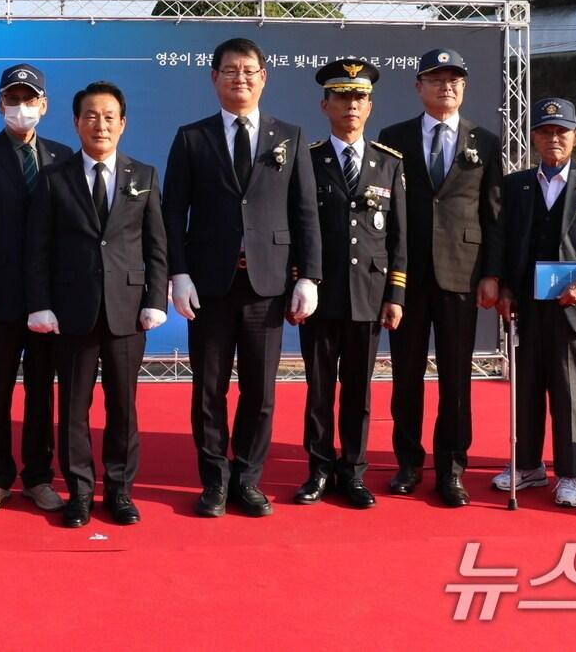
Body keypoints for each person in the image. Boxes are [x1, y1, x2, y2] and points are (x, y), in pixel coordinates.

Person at [162, 38, 321, 518]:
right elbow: (173, 213)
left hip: (266, 287)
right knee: (208, 391)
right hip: (209, 286)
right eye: (230, 70)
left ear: (263, 77)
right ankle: (214, 480)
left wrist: (309, 277)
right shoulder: (191, 138)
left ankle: (248, 479)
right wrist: (178, 273)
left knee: (261, 391)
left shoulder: (289, 137)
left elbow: (305, 212)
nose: (240, 79)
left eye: (249, 70)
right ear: (214, 77)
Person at [26, 81, 168, 528]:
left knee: (123, 407)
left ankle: (120, 491)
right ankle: (81, 492)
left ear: (123, 124)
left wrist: (155, 299)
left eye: (109, 117)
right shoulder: (53, 178)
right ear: (76, 123)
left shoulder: (143, 176)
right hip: (72, 310)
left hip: (128, 310)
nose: (100, 125)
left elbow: (157, 246)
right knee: (73, 408)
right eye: (91, 116)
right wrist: (41, 304)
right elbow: (38, 249)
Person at [377, 48, 502, 508]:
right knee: (406, 375)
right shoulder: (393, 138)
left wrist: (492, 274)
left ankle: (451, 467)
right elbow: (386, 210)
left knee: (456, 376)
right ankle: (408, 463)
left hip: (462, 274)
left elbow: (493, 214)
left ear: (463, 87)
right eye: (435, 79)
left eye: (453, 80)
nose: (445, 87)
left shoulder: (485, 141)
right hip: (407, 275)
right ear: (419, 87)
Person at [494, 97, 576, 509]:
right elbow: (503, 242)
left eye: (561, 131)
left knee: (569, 395)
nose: (553, 138)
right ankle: (528, 465)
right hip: (527, 306)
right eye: (545, 131)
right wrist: (505, 288)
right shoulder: (515, 186)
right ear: (534, 137)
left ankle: (570, 475)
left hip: (575, 306)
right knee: (527, 388)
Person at [0, 64, 71, 514]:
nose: (21, 107)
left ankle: (39, 477)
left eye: (29, 99)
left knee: (42, 391)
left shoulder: (63, 156)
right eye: (13, 99)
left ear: (44, 104)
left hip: (47, 300)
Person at [294, 61, 405, 510]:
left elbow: (398, 237)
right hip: (321, 296)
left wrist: (396, 294)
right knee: (319, 390)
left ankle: (354, 472)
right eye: (342, 97)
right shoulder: (308, 159)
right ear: (325, 105)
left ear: (370, 106)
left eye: (359, 98)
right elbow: (298, 227)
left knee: (359, 392)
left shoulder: (389, 163)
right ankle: (319, 470)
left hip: (368, 295)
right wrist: (299, 282)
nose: (351, 106)